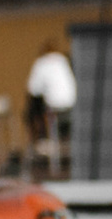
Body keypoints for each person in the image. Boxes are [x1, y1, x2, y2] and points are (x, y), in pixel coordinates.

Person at [26, 40, 75, 170]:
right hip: (71, 106)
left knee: (31, 109)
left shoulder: (41, 63)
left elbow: (33, 89)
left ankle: (40, 139)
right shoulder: (64, 60)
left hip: (54, 108)